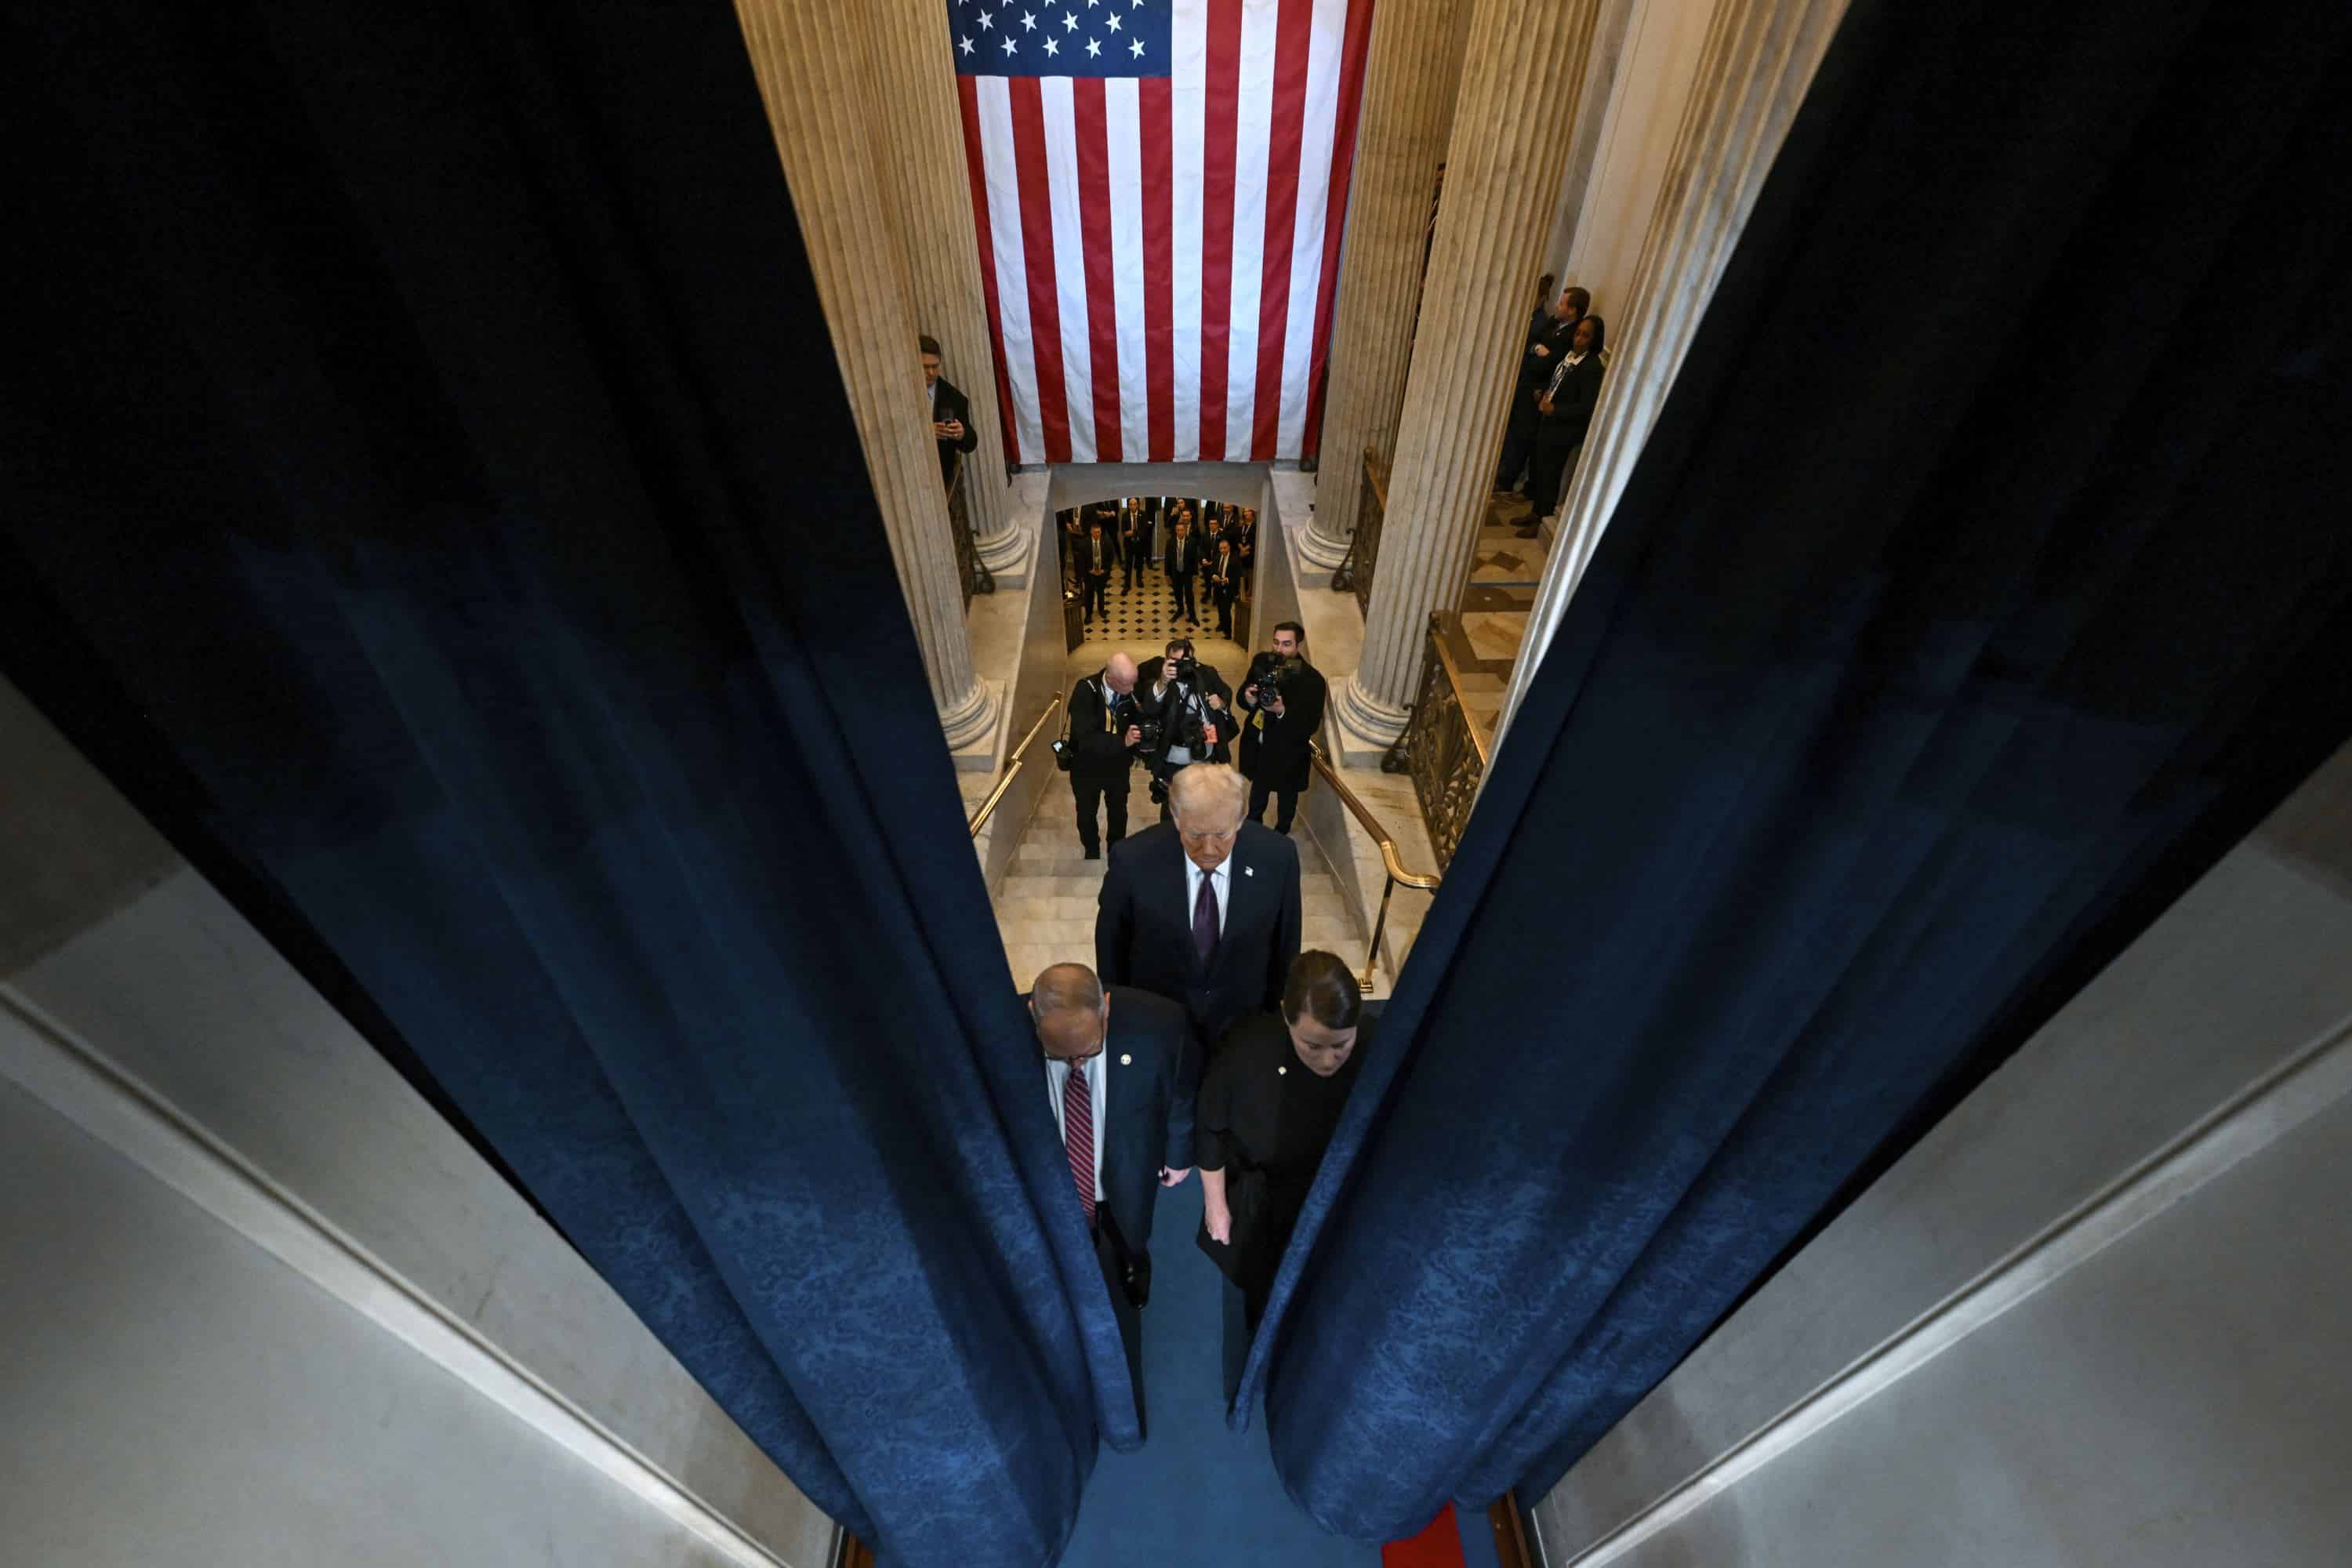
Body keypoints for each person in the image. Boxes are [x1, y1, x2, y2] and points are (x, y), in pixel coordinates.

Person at [1029, 963, 1194, 1416]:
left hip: (1127, 1167)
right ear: (1032, 1016)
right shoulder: (1005, 1034)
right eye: (1061, 1057)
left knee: (1130, 1233)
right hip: (1057, 1181)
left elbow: (1179, 1093)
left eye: (1087, 1050)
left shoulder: (1160, 1023)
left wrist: (1178, 1153)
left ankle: (1133, 1267)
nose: (1076, 1063)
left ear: (1106, 1009)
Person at [1194, 950, 1370, 1330]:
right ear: (1286, 1018)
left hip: (1341, 1191)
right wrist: (1216, 1205)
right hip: (1267, 1198)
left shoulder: (1377, 1044)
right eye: (1313, 1046)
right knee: (1266, 1297)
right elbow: (1211, 1129)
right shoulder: (1245, 1049)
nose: (1328, 1061)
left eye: (1341, 1045)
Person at [1095, 763, 1301, 1063]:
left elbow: (1286, 948)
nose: (1208, 849)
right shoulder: (1132, 860)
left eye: (1221, 835)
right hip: (1158, 1029)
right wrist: (1122, 1020)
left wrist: (1275, 1023)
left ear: (1241, 819)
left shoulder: (1278, 858)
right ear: (1176, 818)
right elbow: (1112, 947)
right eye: (1195, 835)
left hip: (1242, 1028)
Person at [1495, 286, 1588, 498]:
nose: (1558, 305)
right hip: (1526, 384)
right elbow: (1527, 340)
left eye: (1563, 303)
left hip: (1539, 392)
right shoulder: (1553, 323)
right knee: (1511, 431)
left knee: (1522, 437)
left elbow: (1548, 365)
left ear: (1573, 310)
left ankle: (1507, 480)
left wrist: (1536, 358)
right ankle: (1502, 473)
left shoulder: (1571, 335)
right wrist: (1536, 350)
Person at [1236, 621, 1327, 836]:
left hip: (1289, 754)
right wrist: (1248, 697)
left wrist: (1281, 711)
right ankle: (1253, 833)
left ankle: (1280, 837)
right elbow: (1242, 697)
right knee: (1257, 797)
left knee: (1286, 803)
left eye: (1287, 644)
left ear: (1299, 645)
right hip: (1259, 748)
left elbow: (1310, 725)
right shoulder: (1262, 662)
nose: (1278, 650)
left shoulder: (1313, 680)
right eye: (1276, 642)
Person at [1524, 314, 1607, 538]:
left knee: (1552, 474)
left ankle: (1543, 518)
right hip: (1548, 422)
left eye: (1585, 336)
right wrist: (1543, 391)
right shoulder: (1569, 357)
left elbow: (1587, 407)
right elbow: (1557, 381)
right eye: (1578, 333)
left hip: (1564, 429)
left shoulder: (1591, 368)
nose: (1579, 339)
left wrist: (1556, 410)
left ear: (1594, 340)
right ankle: (1536, 511)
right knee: (1540, 468)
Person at [1065, 653, 1142, 859]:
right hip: (1086, 768)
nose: (1132, 690)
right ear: (1111, 679)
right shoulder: (1085, 691)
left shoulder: (1129, 690)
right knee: (1086, 812)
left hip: (1117, 766)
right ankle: (1091, 849)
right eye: (1127, 684)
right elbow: (1085, 739)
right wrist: (1122, 742)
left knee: (1119, 811)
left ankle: (1115, 848)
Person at [920, 335, 978, 493]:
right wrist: (926, 432)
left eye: (935, 366)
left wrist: (961, 434)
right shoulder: (900, 395)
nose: (931, 372)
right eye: (925, 367)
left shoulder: (955, 398)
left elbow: (971, 443)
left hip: (940, 480)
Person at [1163, 517, 1201, 628]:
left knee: (1189, 594)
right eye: (1178, 530)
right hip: (1175, 573)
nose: (1180, 532)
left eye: (1182, 530)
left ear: (1185, 531)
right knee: (1177, 593)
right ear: (1176, 531)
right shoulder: (1171, 542)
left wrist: (1195, 574)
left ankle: (1192, 614)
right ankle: (1180, 610)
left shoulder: (1192, 542)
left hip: (1188, 573)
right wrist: (1167, 574)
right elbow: (1168, 559)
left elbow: (1195, 559)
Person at [1080, 520, 1113, 625]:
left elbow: (1110, 557)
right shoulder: (1084, 543)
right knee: (1089, 594)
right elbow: (1081, 560)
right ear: (1091, 532)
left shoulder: (1107, 542)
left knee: (1101, 592)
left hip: (1102, 573)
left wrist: (1104, 570)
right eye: (1095, 532)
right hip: (1089, 574)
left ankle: (1101, 610)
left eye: (1099, 532)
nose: (1097, 534)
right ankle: (1088, 614)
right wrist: (1090, 570)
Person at [1207, 535, 1241, 637]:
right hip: (1218, 587)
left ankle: (1228, 632)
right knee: (1220, 608)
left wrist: (1228, 580)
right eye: (1221, 548)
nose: (1223, 550)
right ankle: (1221, 624)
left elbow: (1239, 575)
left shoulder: (1235, 558)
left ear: (1229, 547)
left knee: (1226, 610)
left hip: (1229, 588)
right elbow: (1212, 570)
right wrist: (1214, 576)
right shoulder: (1217, 557)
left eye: (1225, 548)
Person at [1120, 499, 1154, 594]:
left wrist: (1134, 533)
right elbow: (1124, 531)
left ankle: (1139, 580)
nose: (1133, 506)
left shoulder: (1143, 514)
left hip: (1140, 543)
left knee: (1139, 564)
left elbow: (1145, 530)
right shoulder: (1125, 515)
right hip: (1129, 544)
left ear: (1138, 505)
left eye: (1135, 504)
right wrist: (1129, 533)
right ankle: (1127, 584)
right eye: (1130, 504)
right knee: (1128, 565)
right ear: (1128, 506)